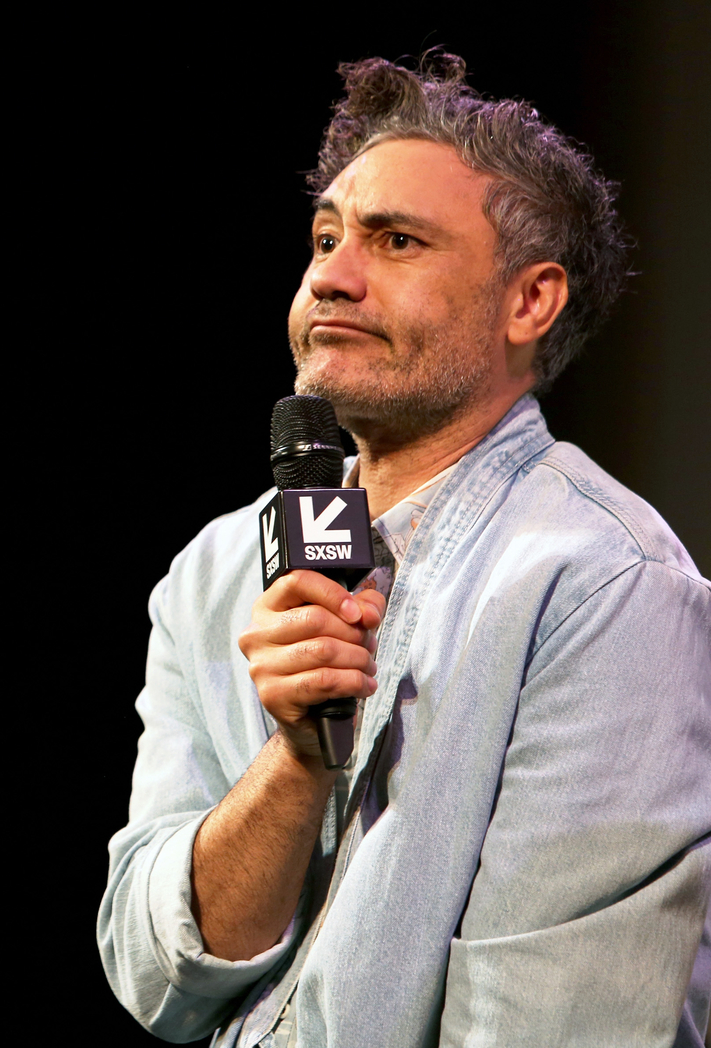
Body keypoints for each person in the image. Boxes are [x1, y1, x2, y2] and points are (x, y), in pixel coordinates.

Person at [97, 52, 711, 1047]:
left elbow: (558, 1028)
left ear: (530, 302)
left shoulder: (603, 584)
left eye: (395, 241)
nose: (329, 277)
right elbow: (153, 975)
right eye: (326, 237)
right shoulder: (214, 571)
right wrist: (296, 761)